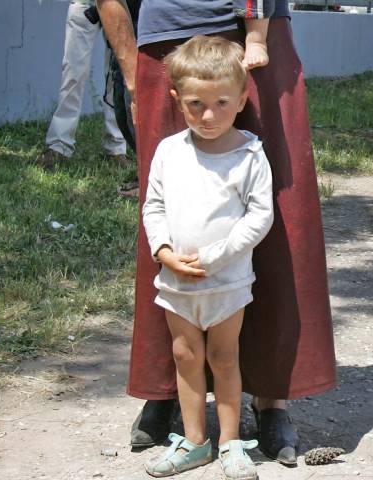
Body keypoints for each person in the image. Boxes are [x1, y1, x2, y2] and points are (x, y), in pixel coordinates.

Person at [72, 0, 336, 467]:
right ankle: (166, 388)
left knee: (279, 210)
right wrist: (131, 68)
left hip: (257, 49)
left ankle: (272, 398)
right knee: (174, 216)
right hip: (169, 59)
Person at [142, 36, 272, 479]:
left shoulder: (249, 154)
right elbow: (153, 206)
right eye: (196, 104)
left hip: (227, 282)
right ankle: (195, 442)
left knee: (224, 358)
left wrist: (215, 257)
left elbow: (260, 217)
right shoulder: (169, 152)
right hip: (177, 282)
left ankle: (232, 443)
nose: (209, 115)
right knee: (184, 355)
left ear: (241, 99)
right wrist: (163, 252)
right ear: (178, 100)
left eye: (221, 102)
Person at [39, 0, 130, 168]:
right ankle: (58, 144)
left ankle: (116, 148)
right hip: (83, 1)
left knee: (116, 78)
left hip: (119, 4)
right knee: (73, 74)